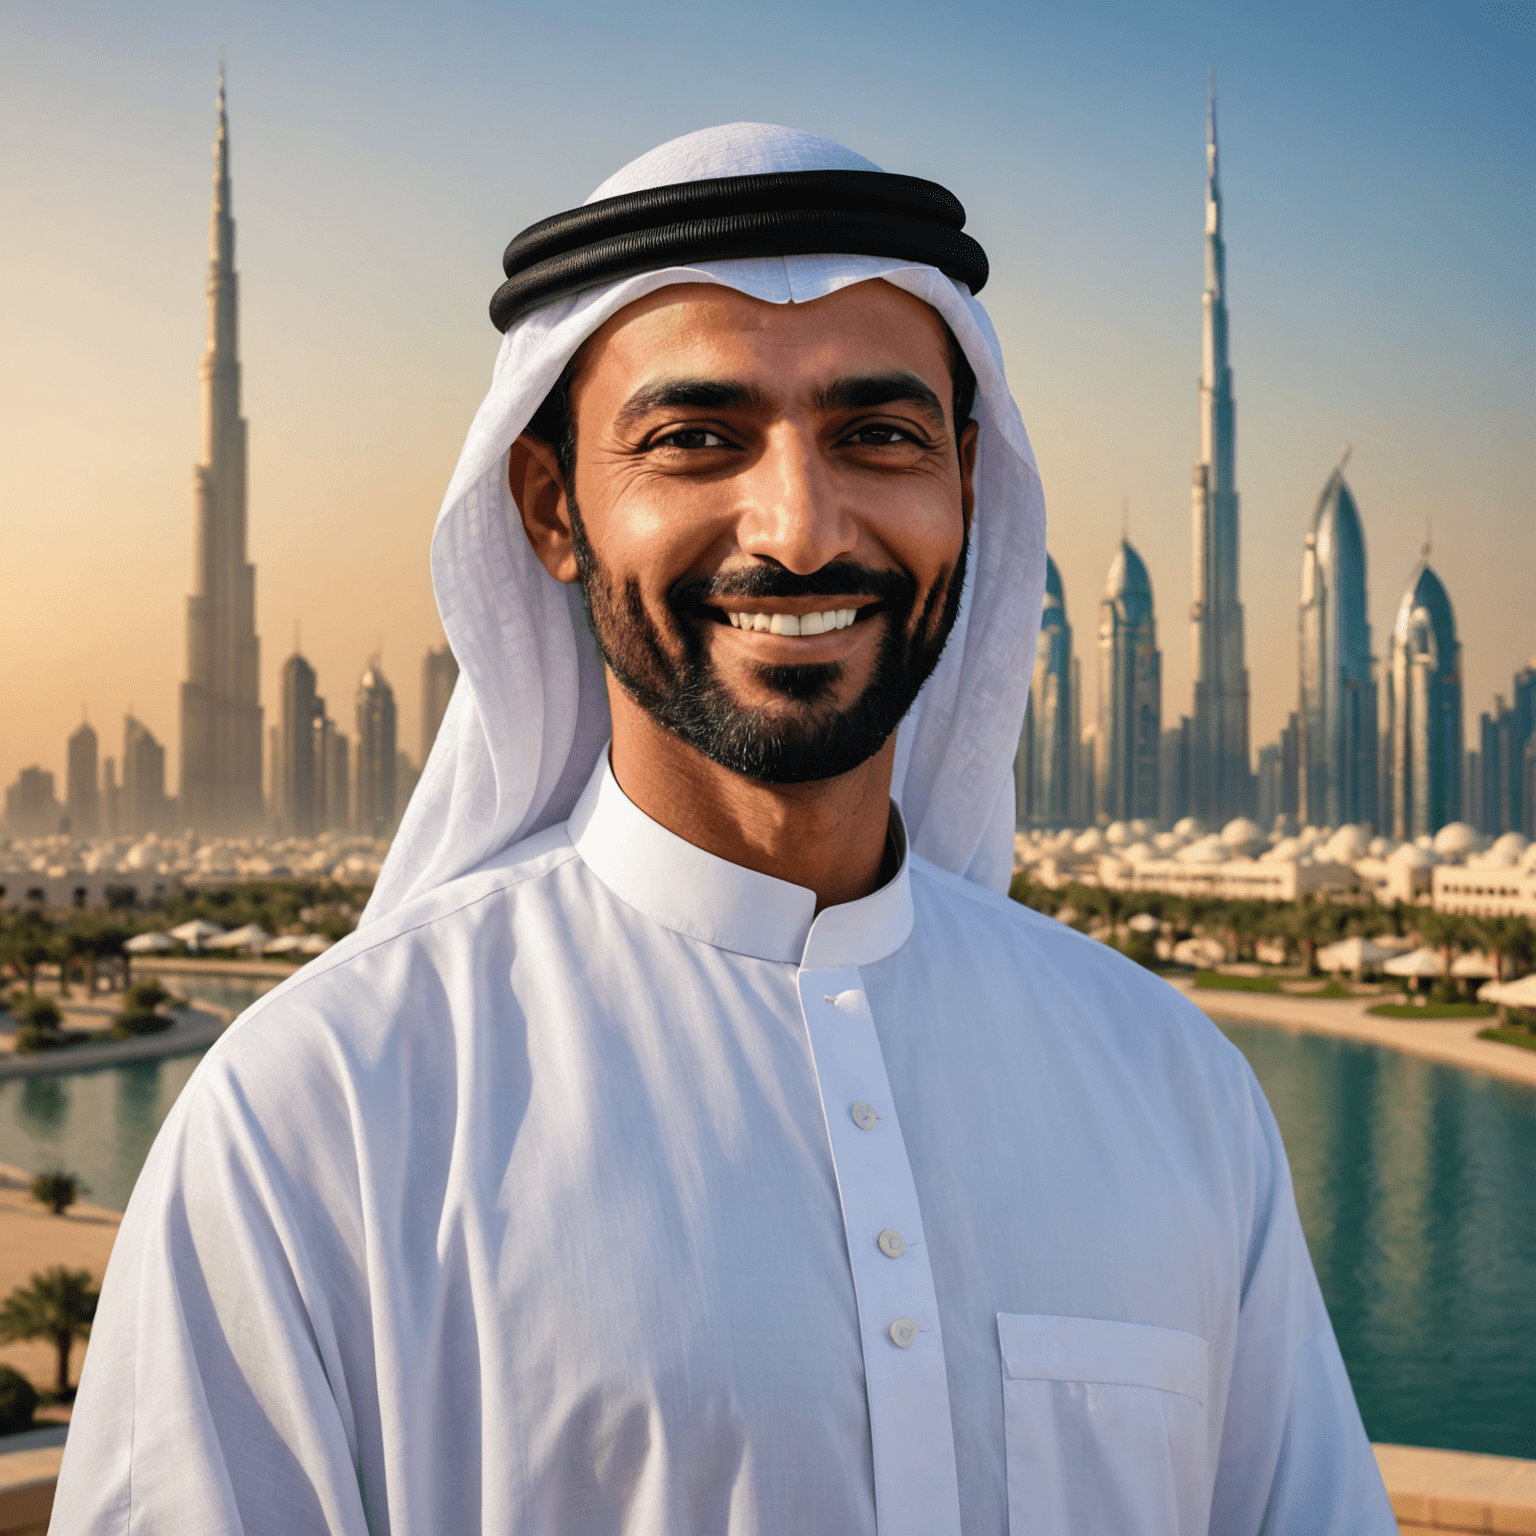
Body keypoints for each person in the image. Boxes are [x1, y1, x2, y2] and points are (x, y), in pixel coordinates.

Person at [54, 123, 1395, 1535]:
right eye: (696, 439)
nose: (803, 528)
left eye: (879, 435)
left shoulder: (1173, 1091)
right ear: (550, 507)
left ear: (968, 493)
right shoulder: (320, 1119)